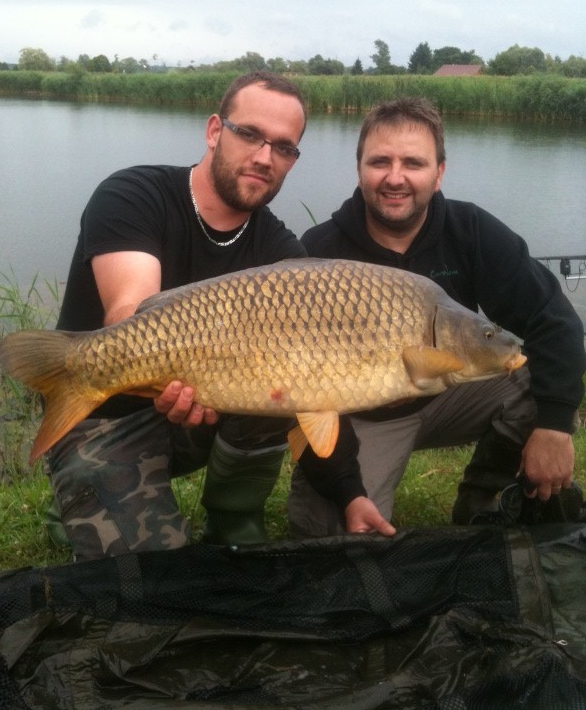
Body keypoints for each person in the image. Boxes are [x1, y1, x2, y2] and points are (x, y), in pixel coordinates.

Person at [288, 97, 585, 538]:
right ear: (359, 169)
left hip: (445, 397)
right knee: (333, 541)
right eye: (379, 162)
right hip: (361, 417)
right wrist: (347, 490)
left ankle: (485, 497)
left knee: (524, 371)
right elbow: (297, 388)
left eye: (413, 163)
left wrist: (556, 427)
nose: (395, 177)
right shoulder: (319, 250)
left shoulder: (472, 231)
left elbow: (553, 319)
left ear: (439, 172)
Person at [45, 71, 307, 560]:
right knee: (155, 576)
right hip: (106, 412)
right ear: (214, 131)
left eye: (284, 147)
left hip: (208, 406)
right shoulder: (132, 194)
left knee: (293, 383)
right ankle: (82, 481)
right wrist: (172, 367)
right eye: (249, 134)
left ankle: (235, 517)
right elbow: (130, 310)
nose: (264, 157)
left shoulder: (279, 250)